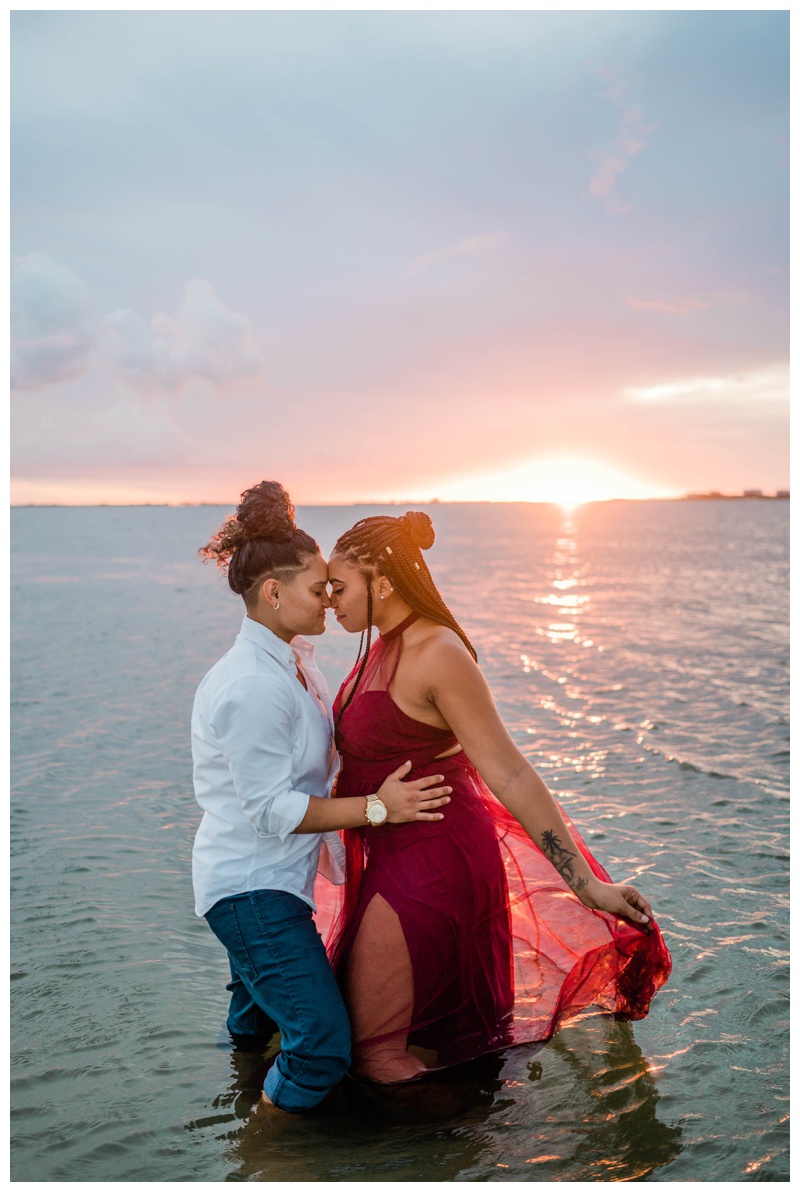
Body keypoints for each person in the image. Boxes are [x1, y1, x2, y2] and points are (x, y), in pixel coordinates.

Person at [323, 510, 672, 1084]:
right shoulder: (382, 646)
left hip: (431, 861)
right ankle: (464, 1145)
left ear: (381, 579)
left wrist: (584, 883)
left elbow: (510, 773)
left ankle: (447, 1162)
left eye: (340, 587)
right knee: (413, 1046)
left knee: (378, 1054)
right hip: (389, 853)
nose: (331, 600)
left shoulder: (436, 651)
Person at [191, 483, 451, 1113]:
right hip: (253, 890)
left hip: (276, 881)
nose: (330, 603)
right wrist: (379, 809)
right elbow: (272, 811)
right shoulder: (253, 686)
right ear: (273, 593)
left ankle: (242, 1096)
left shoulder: (294, 662)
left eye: (335, 587)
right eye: (318, 589)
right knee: (323, 1046)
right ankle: (267, 1156)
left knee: (256, 1027)